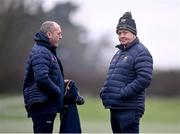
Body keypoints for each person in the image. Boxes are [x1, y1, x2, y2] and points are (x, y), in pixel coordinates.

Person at [100, 12, 153, 133]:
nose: (121, 36)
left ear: (134, 33)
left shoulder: (141, 52)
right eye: (119, 33)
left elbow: (144, 79)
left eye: (125, 32)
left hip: (129, 108)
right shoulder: (119, 53)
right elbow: (113, 77)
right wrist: (104, 92)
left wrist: (123, 93)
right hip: (116, 107)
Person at [23, 21, 64, 133]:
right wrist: (58, 91)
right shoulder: (41, 51)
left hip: (46, 106)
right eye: (58, 33)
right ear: (49, 34)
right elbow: (42, 78)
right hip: (43, 106)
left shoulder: (46, 50)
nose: (61, 37)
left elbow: (50, 76)